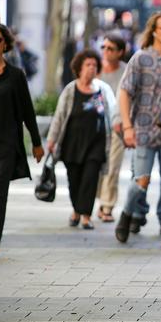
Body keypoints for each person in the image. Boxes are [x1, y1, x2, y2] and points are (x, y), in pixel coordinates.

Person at [116, 11, 161, 247]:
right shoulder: (139, 59)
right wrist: (127, 126)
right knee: (141, 181)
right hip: (144, 128)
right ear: (154, 31)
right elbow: (125, 91)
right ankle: (127, 213)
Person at [0, 23, 44, 259]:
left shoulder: (15, 76)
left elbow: (27, 111)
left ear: (5, 44)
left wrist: (36, 142)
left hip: (4, 144)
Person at [47, 49, 114, 230]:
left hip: (95, 144)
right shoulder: (70, 90)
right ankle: (76, 210)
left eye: (94, 65)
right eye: (88, 65)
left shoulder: (100, 91)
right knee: (74, 179)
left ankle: (85, 216)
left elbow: (107, 116)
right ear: (79, 68)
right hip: (73, 144)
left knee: (90, 178)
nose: (91, 68)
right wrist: (51, 141)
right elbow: (59, 116)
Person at [96, 34, 127, 223]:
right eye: (104, 47)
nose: (106, 52)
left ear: (120, 52)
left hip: (119, 124)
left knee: (113, 165)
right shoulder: (95, 68)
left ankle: (107, 205)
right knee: (98, 165)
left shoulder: (126, 71)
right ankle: (99, 199)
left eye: (111, 49)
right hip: (97, 125)